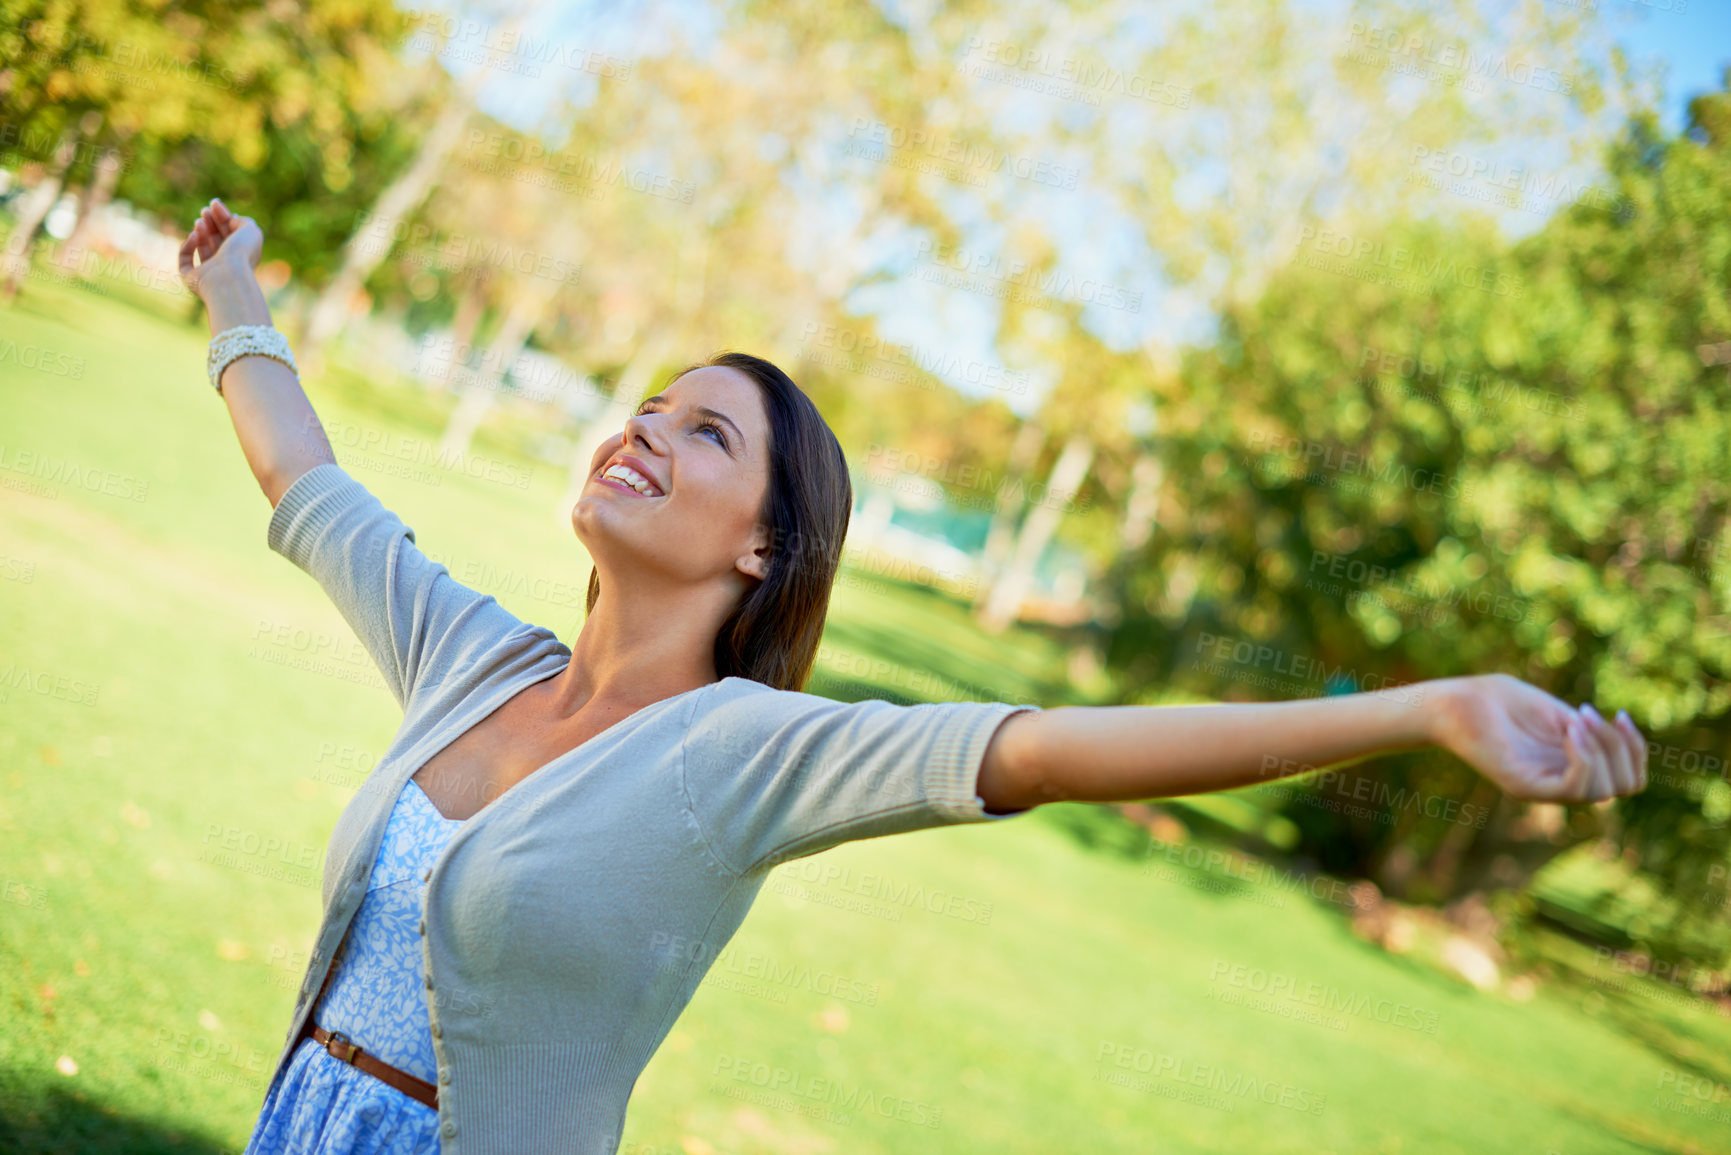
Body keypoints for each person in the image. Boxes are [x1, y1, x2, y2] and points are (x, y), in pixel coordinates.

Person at [179, 197, 1648, 1155]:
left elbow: (1054, 745)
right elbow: (307, 477)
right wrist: (232, 289)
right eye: (649, 407)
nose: (646, 429)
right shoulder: (469, 655)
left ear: (767, 547)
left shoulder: (744, 755)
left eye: (706, 435)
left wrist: (1426, 708)